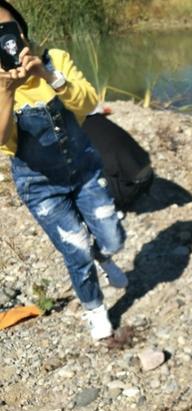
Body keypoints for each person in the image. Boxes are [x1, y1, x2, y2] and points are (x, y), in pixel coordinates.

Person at [0, 1, 127, 340]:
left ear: (20, 29)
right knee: (76, 250)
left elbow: (87, 104)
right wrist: (6, 94)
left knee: (113, 239)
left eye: (7, 29)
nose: (7, 41)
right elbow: (2, 142)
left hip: (84, 170)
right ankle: (95, 308)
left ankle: (105, 255)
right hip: (41, 187)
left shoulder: (55, 58)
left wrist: (47, 74)